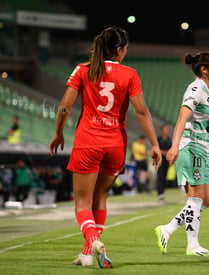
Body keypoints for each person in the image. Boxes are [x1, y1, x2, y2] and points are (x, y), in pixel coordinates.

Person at [49, 26, 162, 269]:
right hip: (115, 145)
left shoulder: (83, 70)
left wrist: (58, 132)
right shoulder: (130, 74)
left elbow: (64, 106)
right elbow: (141, 111)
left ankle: (93, 241)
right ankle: (87, 253)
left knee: (82, 203)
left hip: (88, 141)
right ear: (120, 50)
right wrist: (154, 143)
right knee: (100, 198)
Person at [154, 51, 209, 256]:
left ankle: (168, 228)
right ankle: (193, 246)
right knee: (195, 198)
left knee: (206, 200)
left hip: (205, 148)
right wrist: (174, 146)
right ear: (204, 69)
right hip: (191, 147)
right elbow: (182, 119)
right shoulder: (195, 88)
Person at [156, 124, 172, 201]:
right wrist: (165, 153)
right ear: (161, 130)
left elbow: (171, 150)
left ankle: (162, 192)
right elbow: (157, 150)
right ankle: (160, 193)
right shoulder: (158, 139)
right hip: (160, 161)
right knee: (160, 176)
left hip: (167, 161)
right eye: (166, 129)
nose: (167, 131)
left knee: (165, 177)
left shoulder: (169, 140)